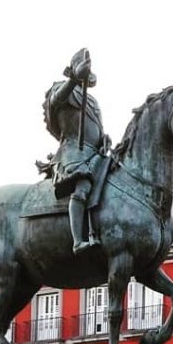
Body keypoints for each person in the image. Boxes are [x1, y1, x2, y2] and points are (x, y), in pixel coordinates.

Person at [41, 47, 111, 254]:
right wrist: (73, 80)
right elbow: (55, 103)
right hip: (72, 150)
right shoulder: (62, 89)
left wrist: (103, 139)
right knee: (83, 185)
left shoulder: (92, 101)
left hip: (95, 153)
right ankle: (78, 240)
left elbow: (96, 129)